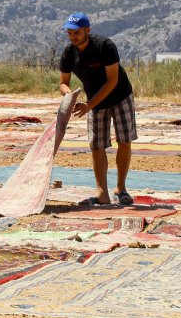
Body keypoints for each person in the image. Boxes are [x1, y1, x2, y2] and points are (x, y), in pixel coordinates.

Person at [58, 12, 138, 206]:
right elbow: (63, 83)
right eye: (69, 32)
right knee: (97, 145)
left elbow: (112, 81)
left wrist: (89, 105)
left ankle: (121, 188)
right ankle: (102, 193)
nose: (72, 36)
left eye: (76, 32)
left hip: (119, 96)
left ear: (87, 30)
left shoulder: (105, 46)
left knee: (124, 140)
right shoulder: (69, 53)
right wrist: (69, 94)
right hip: (93, 102)